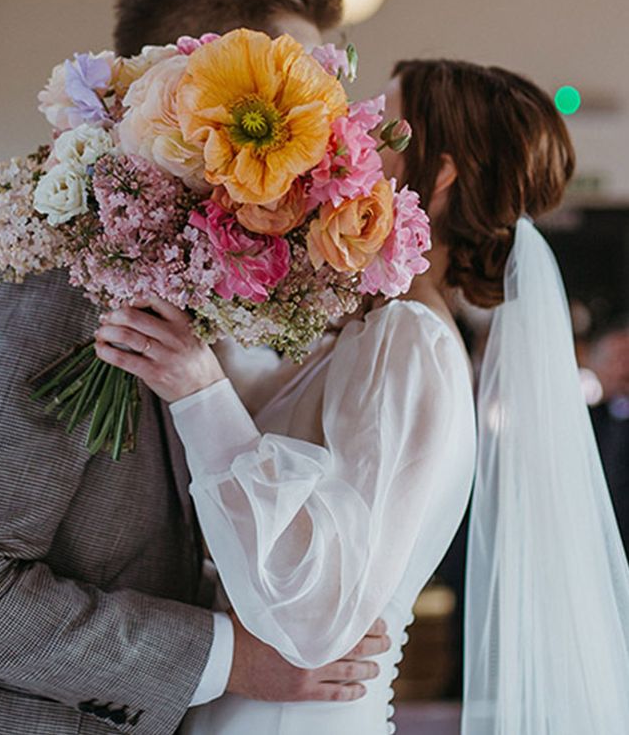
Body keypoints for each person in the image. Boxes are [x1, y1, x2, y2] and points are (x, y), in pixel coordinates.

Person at [0, 0, 391, 735]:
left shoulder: (166, 268)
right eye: (293, 108)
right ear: (189, 91)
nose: (314, 147)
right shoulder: (57, 281)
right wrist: (231, 658)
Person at [96, 58, 629, 733]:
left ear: (439, 178)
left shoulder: (411, 340)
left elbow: (316, 613)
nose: (352, 138)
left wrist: (200, 390)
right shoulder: (376, 325)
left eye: (382, 128)